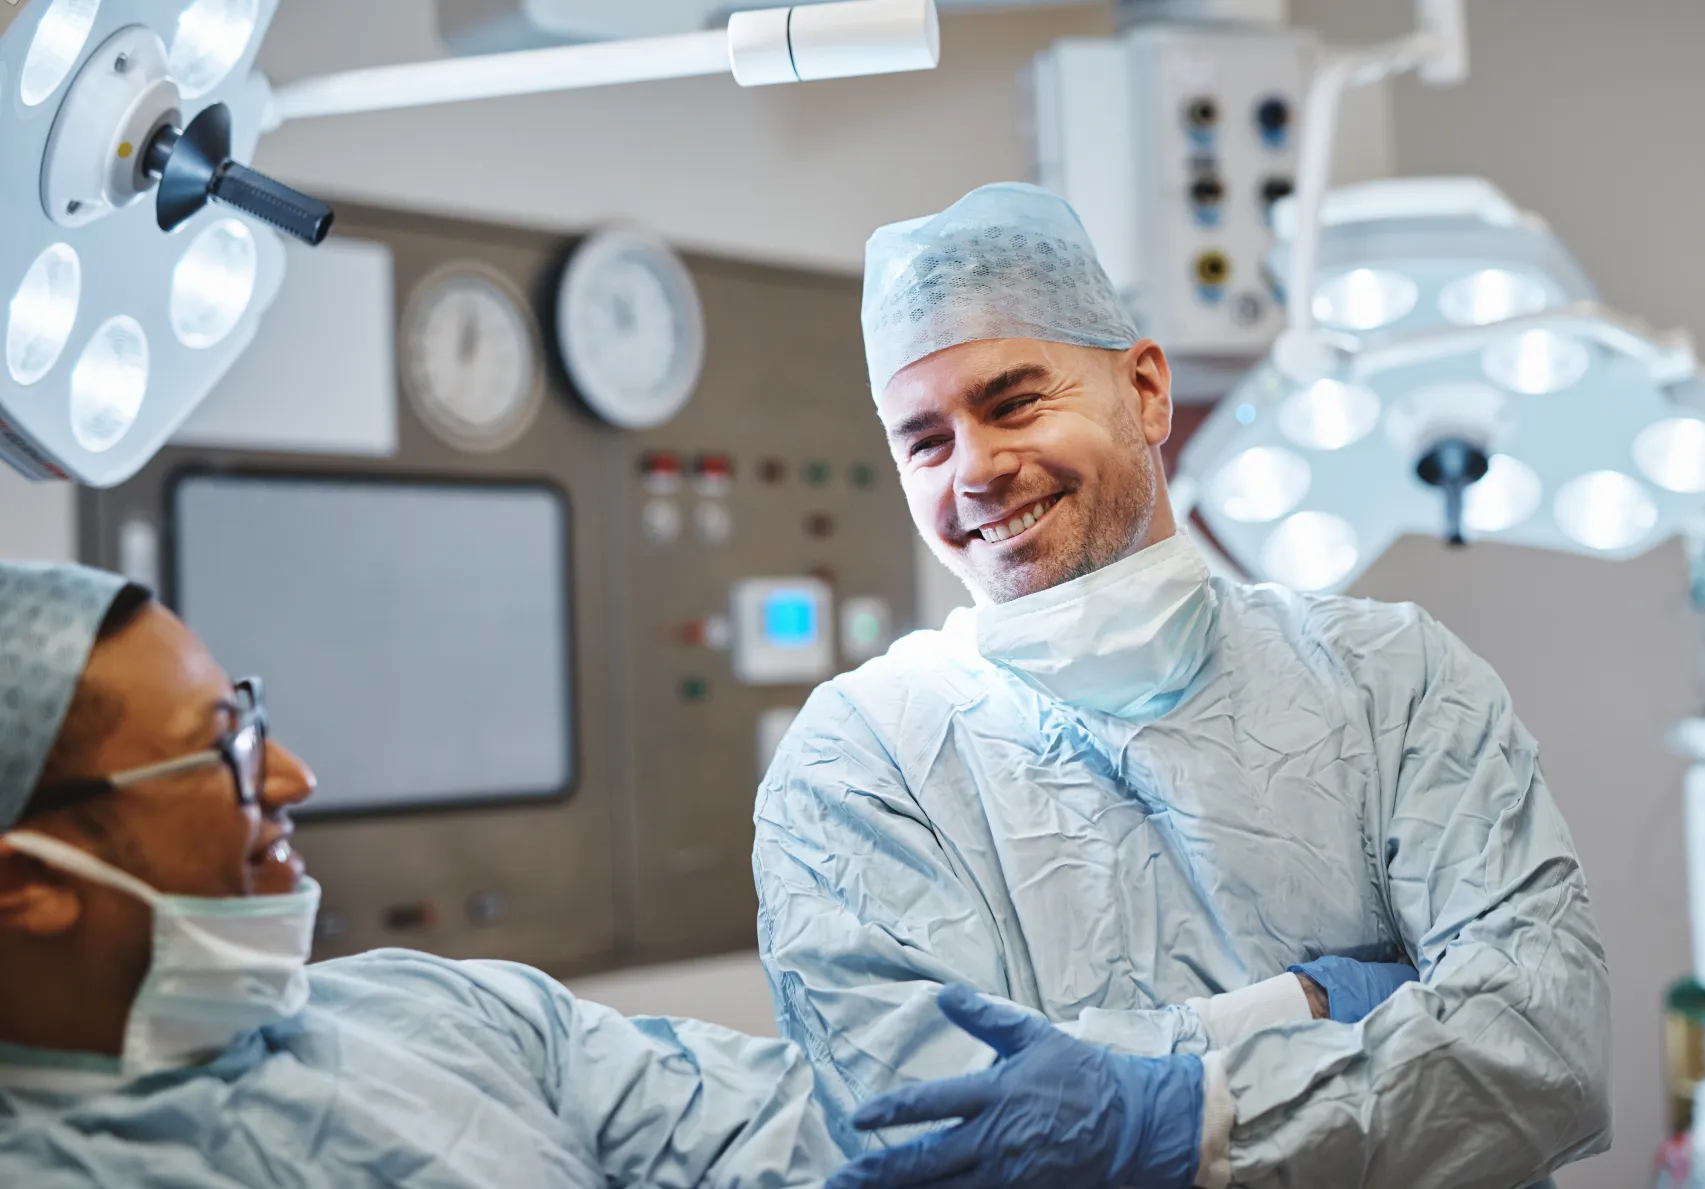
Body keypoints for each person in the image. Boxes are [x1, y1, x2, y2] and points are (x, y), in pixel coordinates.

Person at [752, 183, 1612, 1188]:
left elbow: (1542, 1048)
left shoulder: (1396, 678)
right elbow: (937, 1138)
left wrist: (1156, 1115)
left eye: (1014, 402)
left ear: (1147, 391)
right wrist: (1321, 1005)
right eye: (926, 441)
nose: (976, 469)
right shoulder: (859, 765)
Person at [0, 561, 841, 1187]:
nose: (293, 777)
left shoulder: (432, 1009)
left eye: (249, 720)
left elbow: (762, 1125)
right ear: (24, 884)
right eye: (222, 749)